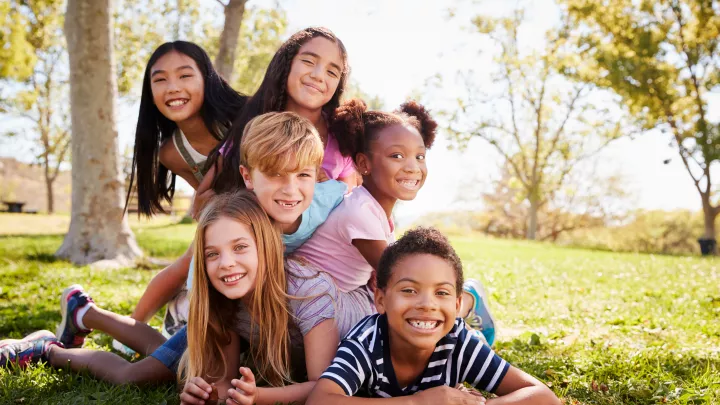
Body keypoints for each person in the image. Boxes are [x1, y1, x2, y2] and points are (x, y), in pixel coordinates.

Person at [292, 99, 496, 344]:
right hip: (319, 299)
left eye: (420, 156)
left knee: (411, 311)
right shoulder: (359, 212)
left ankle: (463, 309)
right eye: (397, 156)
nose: (412, 167)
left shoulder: (375, 212)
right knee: (405, 314)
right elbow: (402, 279)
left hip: (338, 298)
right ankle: (465, 307)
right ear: (364, 164)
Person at [307, 227, 561, 405]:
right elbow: (321, 400)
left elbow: (543, 396)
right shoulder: (367, 342)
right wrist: (418, 403)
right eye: (409, 290)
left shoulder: (458, 343)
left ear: (457, 303)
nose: (427, 304)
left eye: (441, 292)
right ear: (381, 300)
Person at [125, 40, 247, 217]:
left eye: (185, 76)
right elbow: (211, 207)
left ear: (207, 79)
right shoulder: (172, 155)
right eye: (160, 80)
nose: (173, 88)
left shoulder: (249, 115)